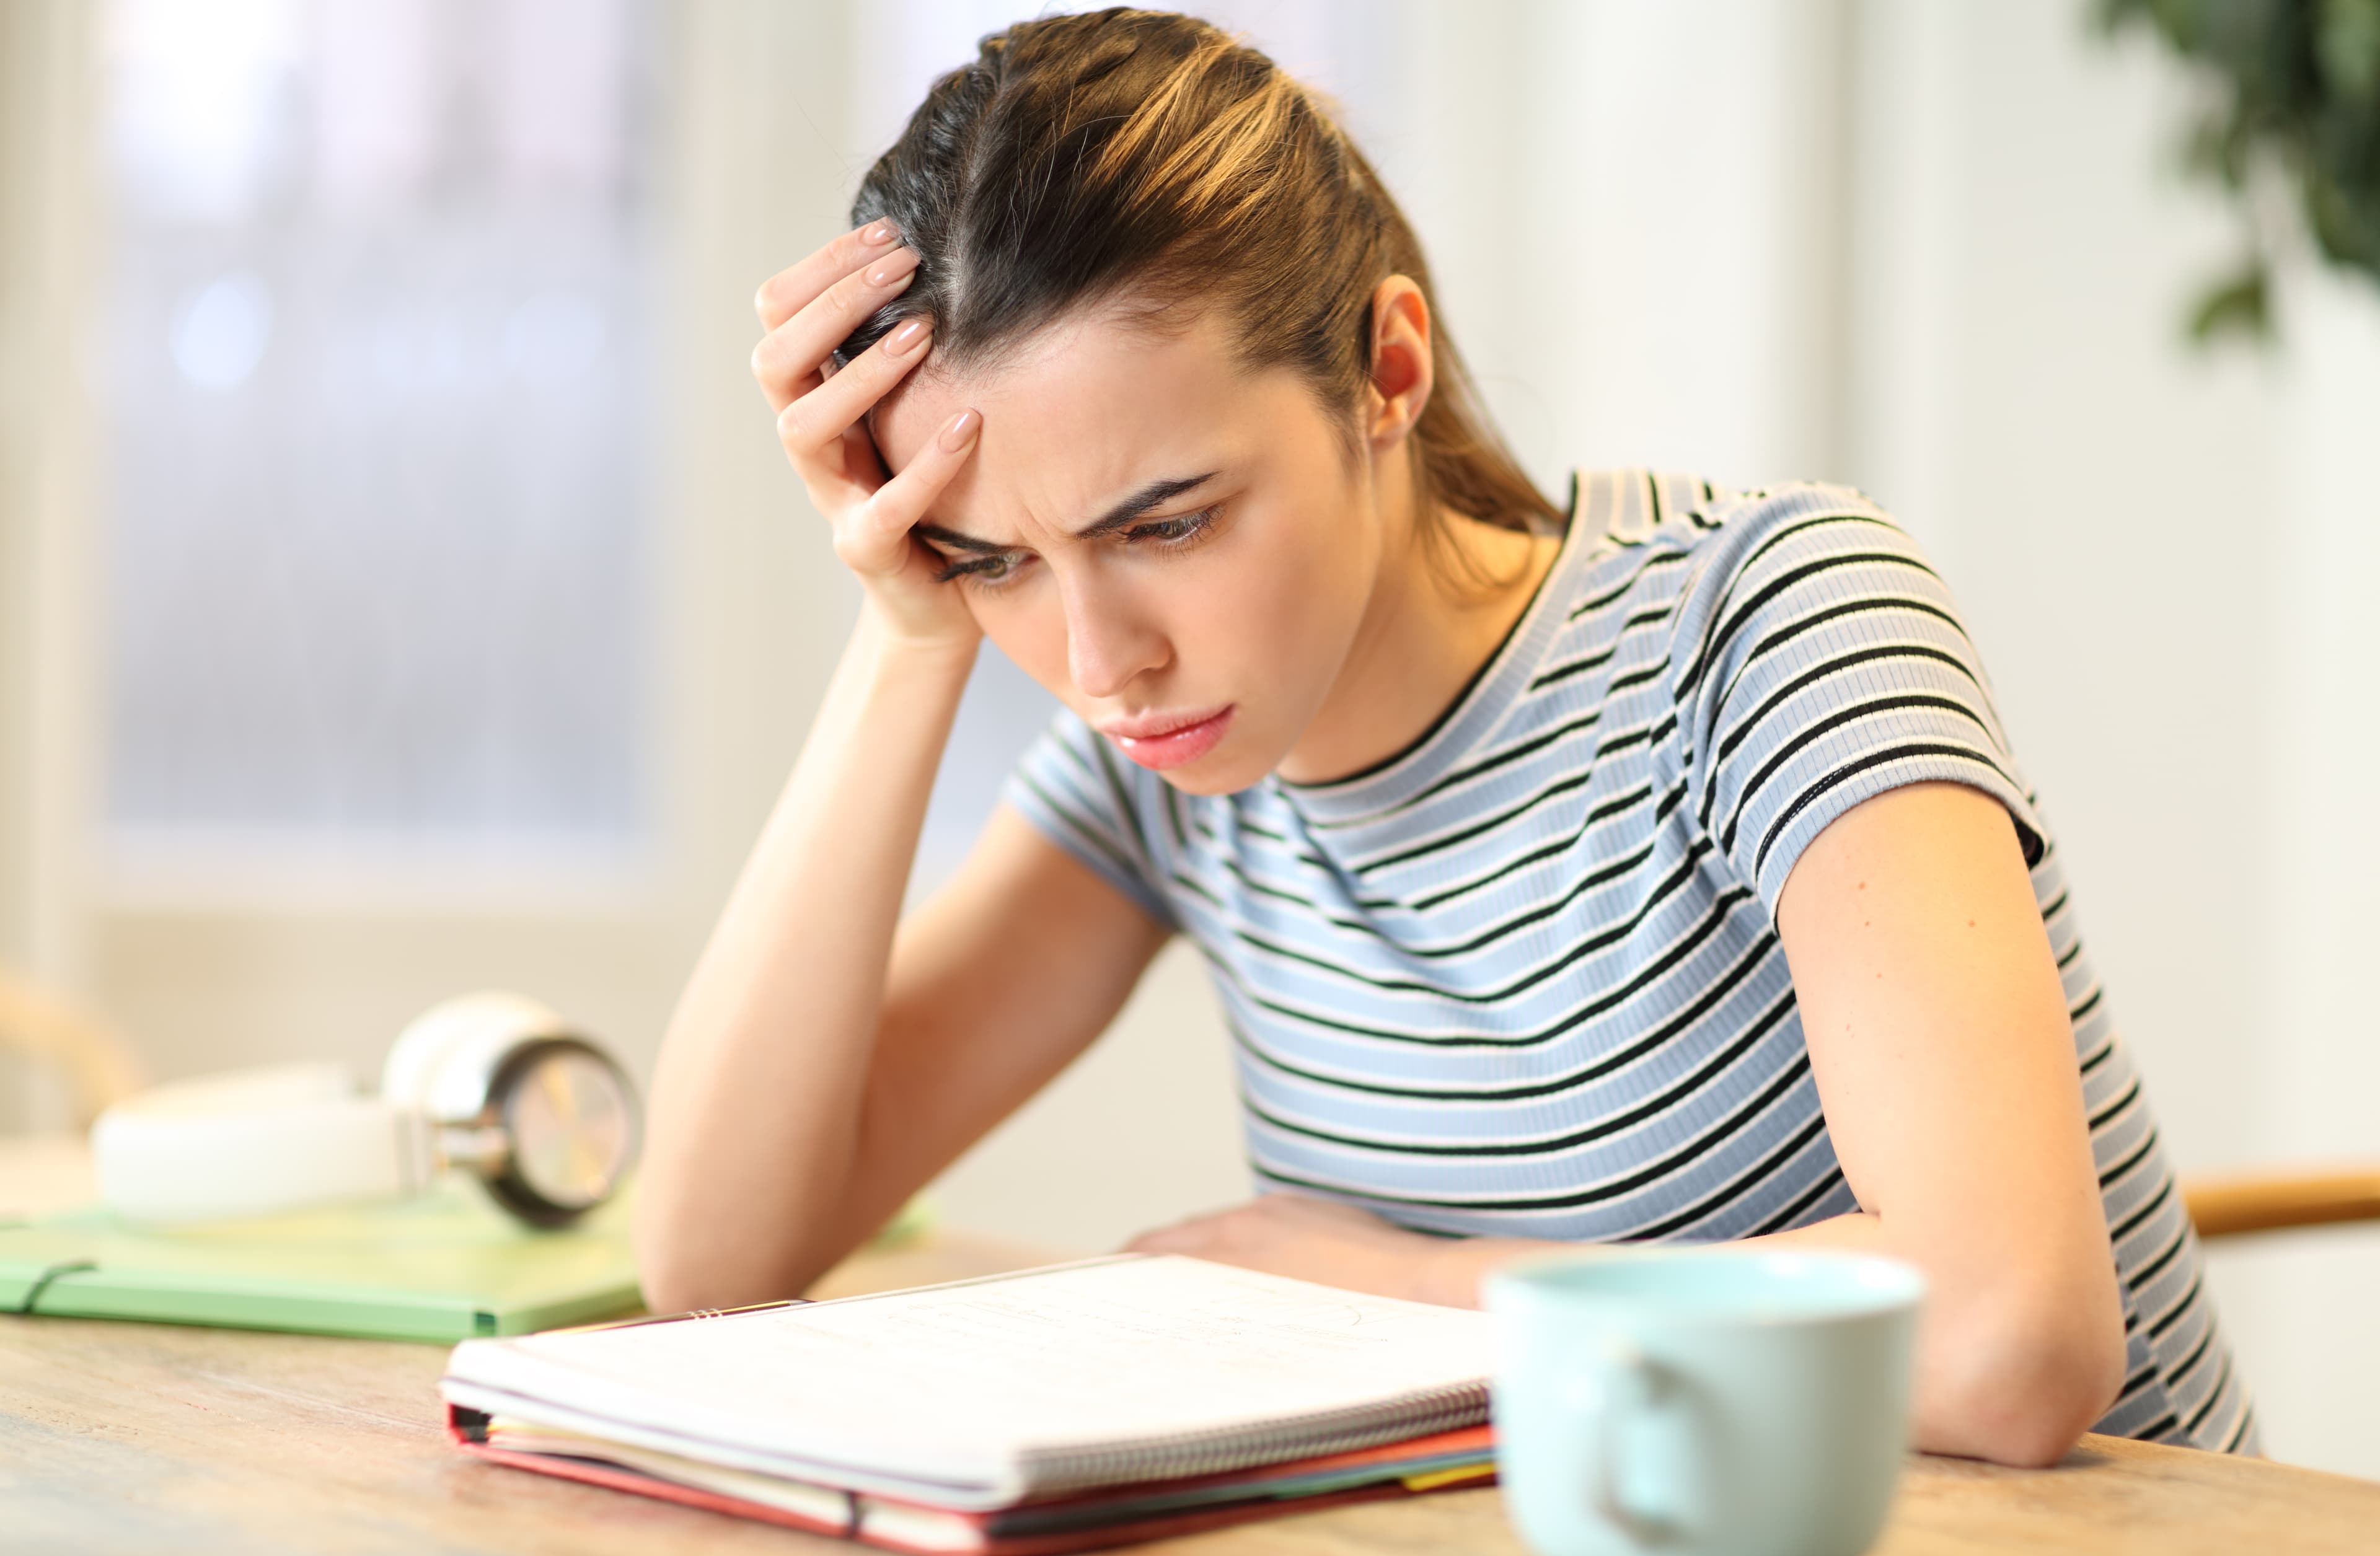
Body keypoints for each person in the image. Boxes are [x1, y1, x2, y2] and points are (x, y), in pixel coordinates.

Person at [632, 7, 2253, 1467]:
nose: (1096, 661)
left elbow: (2005, 1340)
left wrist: (1385, 1296)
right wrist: (905, 631)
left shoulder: (1765, 625)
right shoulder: (1183, 767)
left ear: (1384, 369)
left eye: (1169, 524)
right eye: (994, 560)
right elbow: (717, 1261)